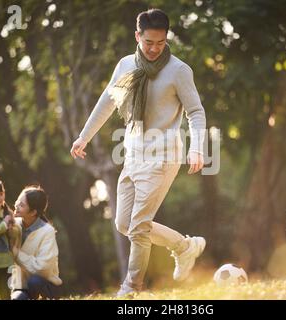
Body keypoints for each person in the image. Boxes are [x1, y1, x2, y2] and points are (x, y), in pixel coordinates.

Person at [70, 8, 207, 296]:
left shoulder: (179, 71)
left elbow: (195, 112)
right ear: (137, 36)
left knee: (140, 226)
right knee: (125, 224)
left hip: (164, 155)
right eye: (149, 43)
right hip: (132, 154)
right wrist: (83, 136)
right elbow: (107, 103)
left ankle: (131, 287)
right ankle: (185, 246)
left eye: (160, 43)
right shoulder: (124, 67)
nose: (155, 49)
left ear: (166, 38)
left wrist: (197, 148)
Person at [0, 185, 62, 299]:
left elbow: (42, 268)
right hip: (21, 286)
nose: (16, 206)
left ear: (33, 212)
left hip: (46, 284)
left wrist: (16, 253)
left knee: (34, 281)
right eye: (17, 201)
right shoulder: (13, 224)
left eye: (22, 205)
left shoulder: (47, 232)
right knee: (17, 297)